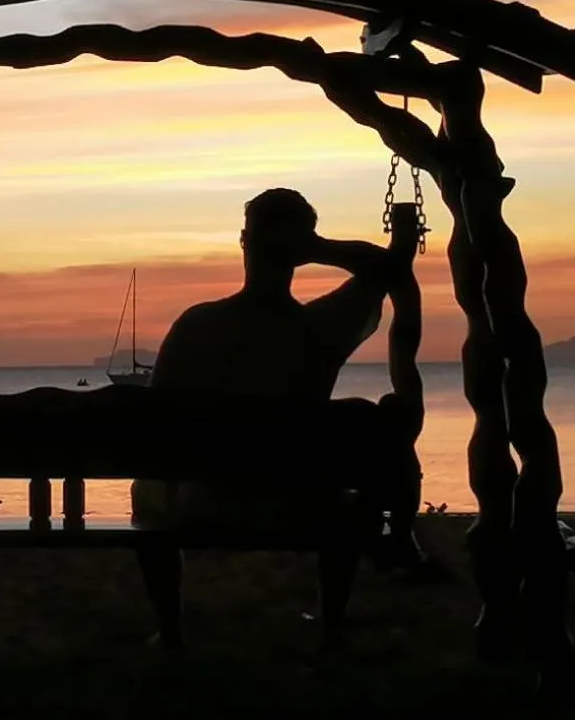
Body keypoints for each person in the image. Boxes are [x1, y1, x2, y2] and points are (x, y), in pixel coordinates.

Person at [130, 187, 409, 528]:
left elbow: (155, 421)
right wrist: (317, 247)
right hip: (297, 501)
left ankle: (165, 586)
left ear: (244, 241)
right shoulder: (322, 328)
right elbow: (384, 269)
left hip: (204, 505)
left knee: (147, 492)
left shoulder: (197, 325)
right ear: (301, 252)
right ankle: (335, 585)